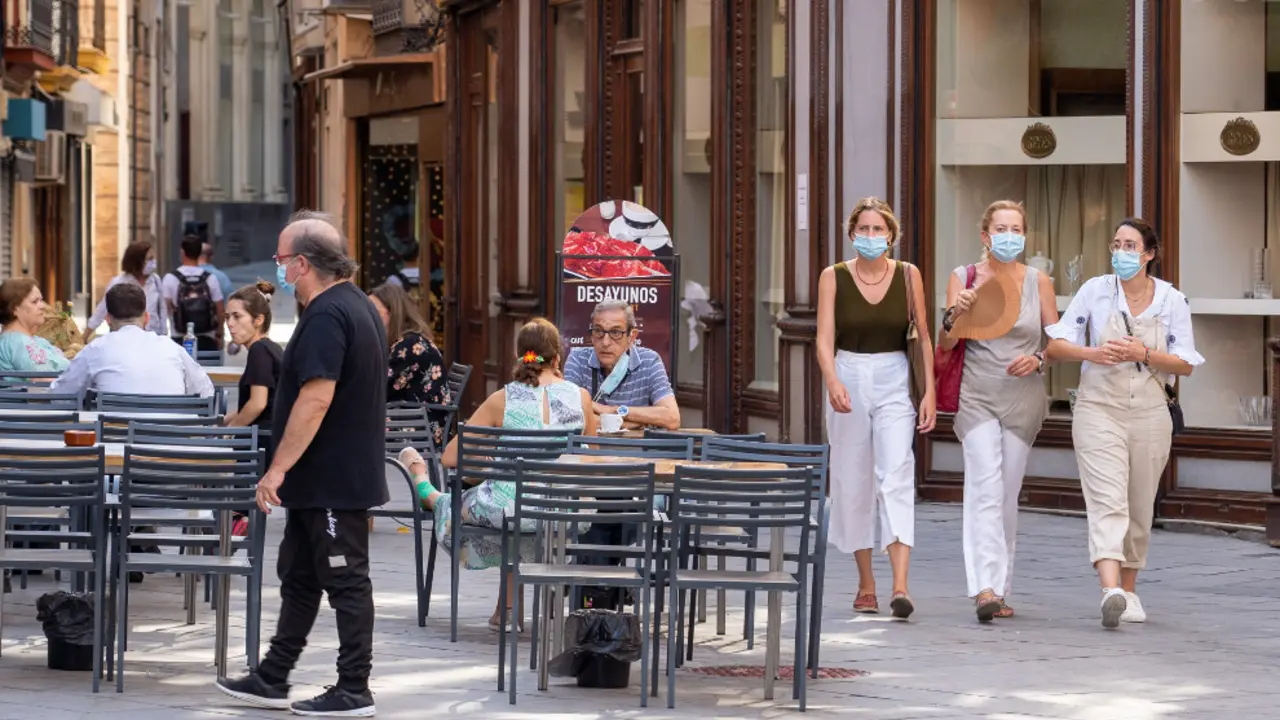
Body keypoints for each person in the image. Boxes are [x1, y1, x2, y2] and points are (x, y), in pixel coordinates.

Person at [216, 210, 387, 717]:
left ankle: (354, 687)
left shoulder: (329, 314)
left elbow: (315, 399)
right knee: (299, 574)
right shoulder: (351, 305)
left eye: (283, 261)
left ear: (304, 264)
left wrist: (277, 469)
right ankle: (273, 676)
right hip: (321, 479)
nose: (280, 271)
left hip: (332, 477)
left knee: (345, 578)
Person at [1046, 219, 1202, 628]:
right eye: (1116, 244)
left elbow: (1186, 364)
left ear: (1149, 254)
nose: (1121, 252)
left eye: (1130, 245)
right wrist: (1093, 354)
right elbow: (1056, 345)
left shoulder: (1171, 300)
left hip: (1151, 413)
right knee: (1107, 500)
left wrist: (1143, 352)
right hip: (1098, 407)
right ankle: (1110, 589)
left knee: (1138, 505)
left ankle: (1129, 590)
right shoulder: (1094, 290)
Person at [396, 318, 596, 631]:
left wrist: (495, 464)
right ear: (558, 357)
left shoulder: (503, 398)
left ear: (521, 356)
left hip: (509, 509)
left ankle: (423, 485)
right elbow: (588, 455)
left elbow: (451, 456)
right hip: (565, 509)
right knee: (520, 510)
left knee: (469, 502)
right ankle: (506, 611)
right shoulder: (581, 397)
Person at [937, 199, 1058, 624]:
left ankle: (1001, 588)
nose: (1009, 236)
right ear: (985, 235)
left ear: (1024, 236)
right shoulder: (963, 278)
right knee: (984, 487)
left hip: (1023, 396)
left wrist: (1039, 360)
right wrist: (958, 312)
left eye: (1016, 229)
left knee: (1007, 494)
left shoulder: (1037, 281)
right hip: (977, 393)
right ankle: (983, 587)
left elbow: (1055, 341)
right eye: (1001, 229)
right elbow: (947, 343)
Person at [816, 197, 935, 620]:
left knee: (897, 471)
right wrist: (832, 380)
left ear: (891, 234)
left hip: (893, 375)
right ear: (852, 234)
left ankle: (900, 584)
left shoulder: (908, 275)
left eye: (878, 230)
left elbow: (922, 335)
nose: (871, 237)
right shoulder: (834, 277)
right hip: (848, 369)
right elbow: (824, 337)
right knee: (852, 478)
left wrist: (930, 392)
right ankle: (866, 582)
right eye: (863, 230)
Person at [51, 284, 214, 398]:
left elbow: (60, 394)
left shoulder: (95, 350)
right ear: (147, 318)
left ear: (108, 319)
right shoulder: (172, 349)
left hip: (114, 442)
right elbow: (206, 391)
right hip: (169, 442)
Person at [562, 299, 680, 430]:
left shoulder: (649, 361)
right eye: (599, 331)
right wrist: (628, 423)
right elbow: (569, 417)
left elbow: (672, 418)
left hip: (635, 449)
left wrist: (614, 410)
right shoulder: (578, 359)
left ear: (632, 336)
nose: (605, 342)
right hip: (590, 449)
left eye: (615, 333)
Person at [369, 283, 450, 447]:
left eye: (373, 311)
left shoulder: (410, 346)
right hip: (412, 417)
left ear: (393, 312)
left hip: (420, 427)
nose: (368, 317)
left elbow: (377, 389)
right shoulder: (405, 340)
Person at [222, 280, 283, 440]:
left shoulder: (259, 350)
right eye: (227, 317)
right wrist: (223, 421)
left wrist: (228, 432)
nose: (230, 324)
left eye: (237, 317)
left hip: (260, 444)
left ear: (258, 320)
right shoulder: (271, 348)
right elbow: (255, 404)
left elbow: (257, 404)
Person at [85, 240, 167, 341]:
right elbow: (101, 310)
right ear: (137, 261)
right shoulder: (119, 282)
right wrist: (85, 335)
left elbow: (162, 311)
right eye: (149, 259)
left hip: (152, 338)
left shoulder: (155, 281)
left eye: (153, 258)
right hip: (124, 339)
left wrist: (164, 337)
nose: (153, 262)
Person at [163, 234, 225, 351]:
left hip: (179, 338)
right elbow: (220, 309)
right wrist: (219, 334)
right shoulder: (210, 278)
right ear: (199, 253)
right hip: (207, 337)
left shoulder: (170, 278)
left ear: (182, 252)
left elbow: (165, 310)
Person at [0, 278, 70, 374]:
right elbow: (44, 380)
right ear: (15, 309)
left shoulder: (33, 340)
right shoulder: (16, 342)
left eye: (41, 300)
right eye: (34, 302)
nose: (43, 306)